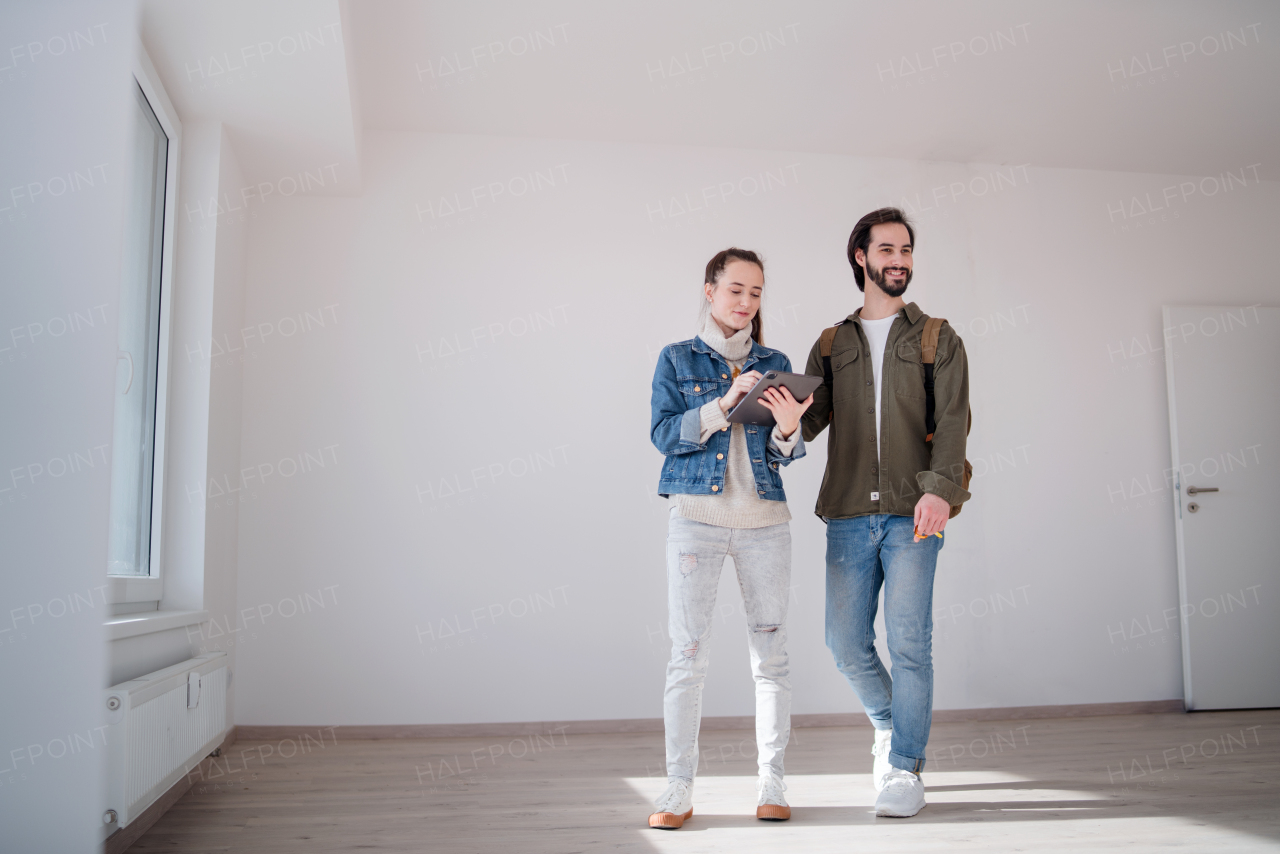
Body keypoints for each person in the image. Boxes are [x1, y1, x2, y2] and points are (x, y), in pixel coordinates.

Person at [800, 208, 970, 818]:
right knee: (843, 642)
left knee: (909, 644)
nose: (900, 259)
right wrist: (785, 426)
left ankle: (904, 768)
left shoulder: (938, 338)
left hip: (913, 511)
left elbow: (952, 424)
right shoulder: (831, 343)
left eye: (907, 249)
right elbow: (808, 424)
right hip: (847, 511)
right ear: (861, 257)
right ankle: (889, 723)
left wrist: (940, 490)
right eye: (887, 249)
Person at [647, 248, 813, 829]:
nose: (747, 303)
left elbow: (778, 455)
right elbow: (665, 436)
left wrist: (790, 430)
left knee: (771, 657)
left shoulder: (777, 361)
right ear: (711, 290)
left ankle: (772, 783)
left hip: (764, 523)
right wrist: (722, 402)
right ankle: (677, 789)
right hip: (696, 519)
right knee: (687, 657)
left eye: (757, 293)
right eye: (736, 290)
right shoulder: (675, 358)